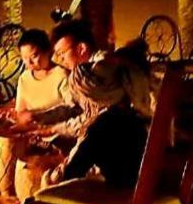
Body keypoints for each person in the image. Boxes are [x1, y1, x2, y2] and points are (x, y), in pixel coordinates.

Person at [36, 20, 152, 189]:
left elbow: (88, 124)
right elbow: (76, 111)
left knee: (55, 184)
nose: (60, 60)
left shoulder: (98, 83)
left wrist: (54, 178)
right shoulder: (104, 89)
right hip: (128, 160)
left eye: (62, 53)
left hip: (126, 177)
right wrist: (41, 120)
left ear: (81, 48)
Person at [12, 29, 68, 126]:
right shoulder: (24, 78)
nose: (29, 62)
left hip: (58, 131)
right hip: (33, 130)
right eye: (25, 58)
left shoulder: (62, 75)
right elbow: (20, 111)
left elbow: (71, 109)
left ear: (48, 51)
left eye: (34, 56)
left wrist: (38, 116)